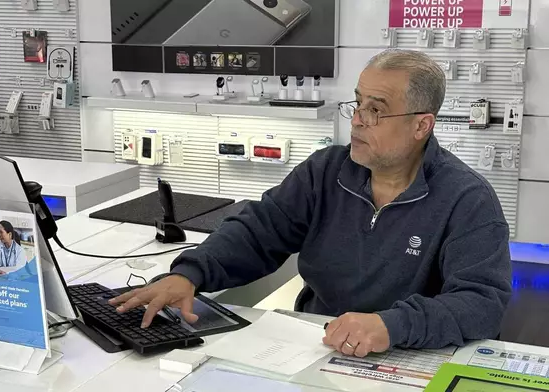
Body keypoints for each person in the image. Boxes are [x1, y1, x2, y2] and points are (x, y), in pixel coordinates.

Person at [111, 49, 513, 358]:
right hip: (315, 344)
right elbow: (258, 232)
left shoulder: (467, 199)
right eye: (357, 104)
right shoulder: (325, 171)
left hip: (408, 354)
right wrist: (190, 274)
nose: (357, 119)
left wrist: (391, 326)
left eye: (376, 110)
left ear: (421, 125)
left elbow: (482, 304)